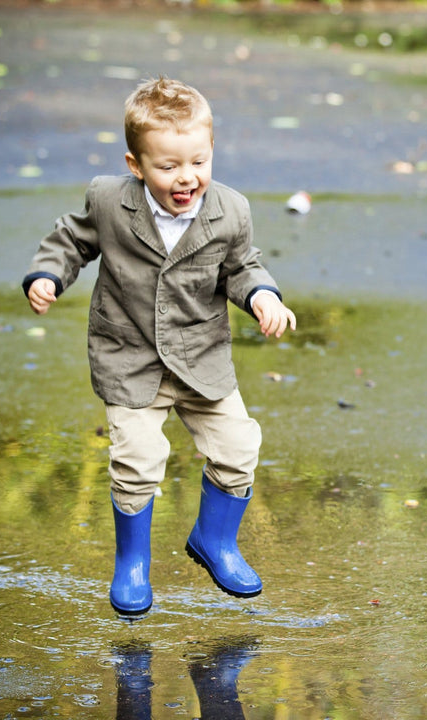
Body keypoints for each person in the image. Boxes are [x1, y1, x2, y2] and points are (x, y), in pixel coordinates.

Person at [22, 77, 296, 615]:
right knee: (138, 460)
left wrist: (262, 295)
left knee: (239, 447)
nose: (186, 177)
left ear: (211, 152)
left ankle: (215, 541)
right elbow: (70, 239)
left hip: (201, 356)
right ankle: (132, 563)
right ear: (135, 164)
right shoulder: (107, 201)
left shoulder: (230, 210)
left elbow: (243, 266)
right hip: (130, 357)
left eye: (198, 161)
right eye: (168, 166)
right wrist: (48, 275)